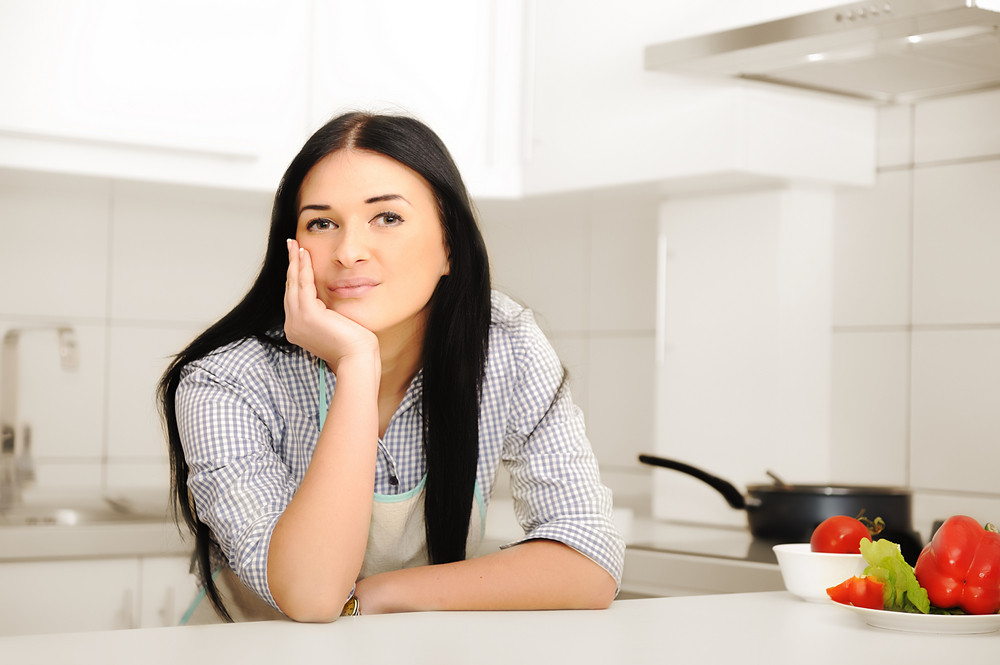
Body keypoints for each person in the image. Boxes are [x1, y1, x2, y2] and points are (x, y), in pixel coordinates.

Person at [157, 111, 624, 623]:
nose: (349, 251)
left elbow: (589, 559)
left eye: (387, 217)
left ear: (449, 244)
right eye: (322, 223)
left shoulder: (504, 344)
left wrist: (374, 596)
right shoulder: (227, 379)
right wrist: (357, 364)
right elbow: (312, 597)